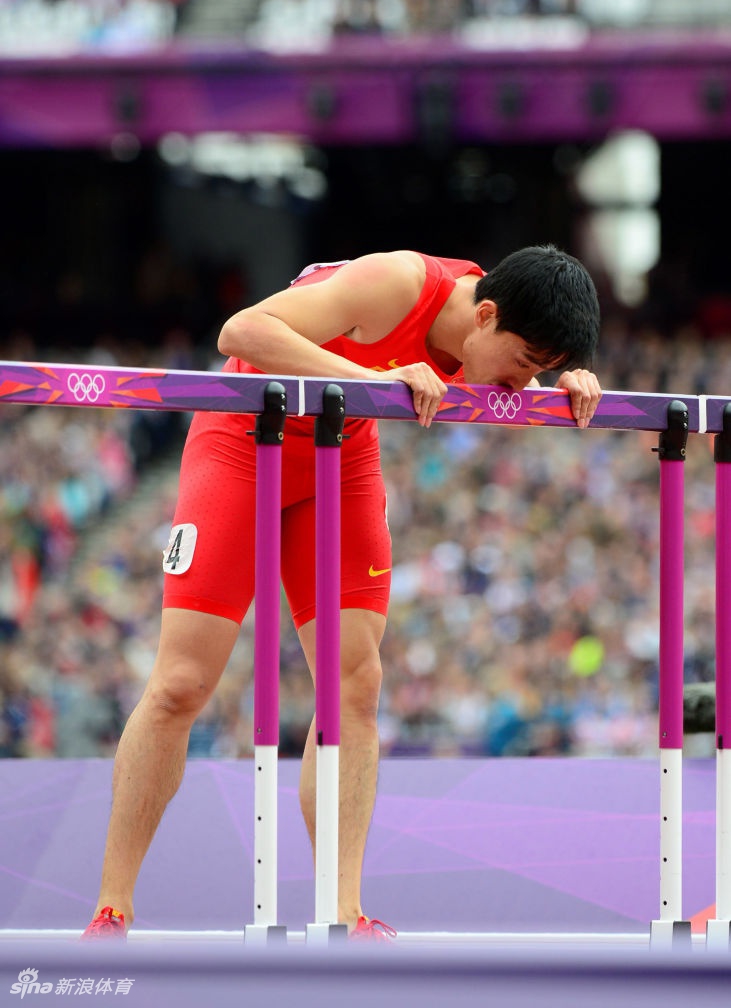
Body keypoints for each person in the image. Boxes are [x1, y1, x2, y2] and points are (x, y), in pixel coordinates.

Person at [81, 245, 602, 943]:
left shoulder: (496, 326)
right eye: (527, 364)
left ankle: (345, 910)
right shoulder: (393, 283)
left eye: (540, 369)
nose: (525, 381)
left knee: (354, 687)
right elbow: (241, 332)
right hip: (240, 439)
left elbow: (496, 379)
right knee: (180, 684)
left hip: (339, 453)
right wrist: (369, 377)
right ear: (483, 316)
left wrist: (564, 391)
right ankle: (112, 907)